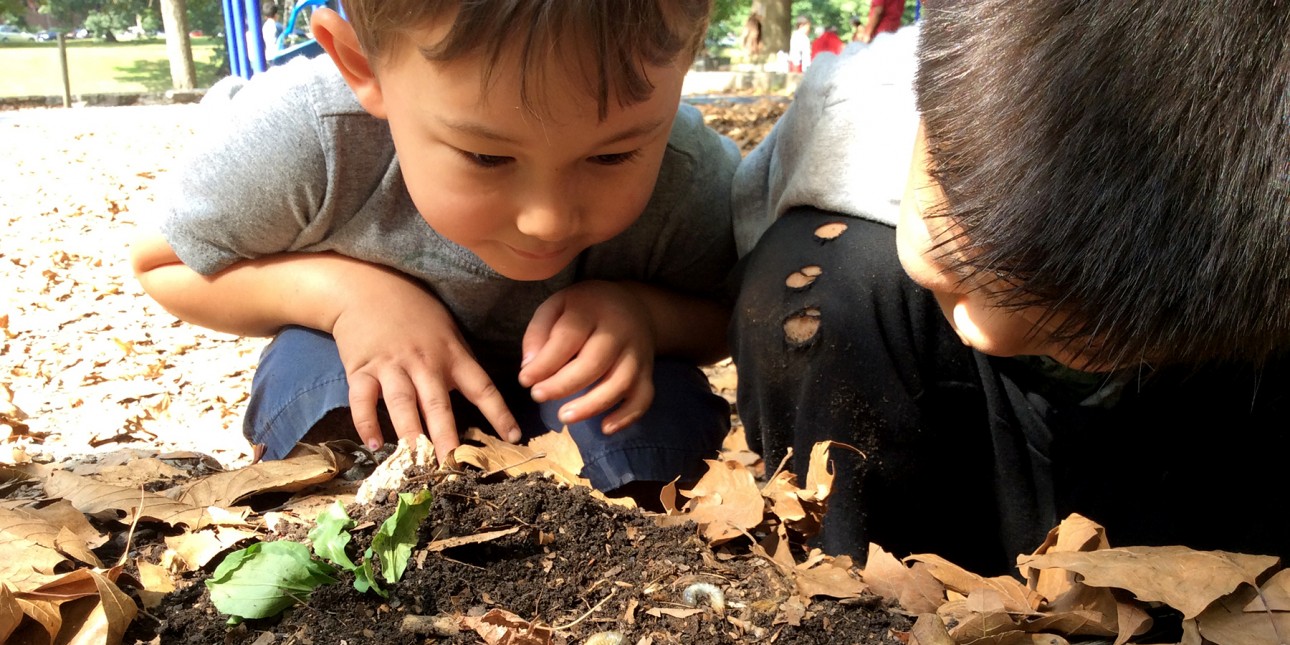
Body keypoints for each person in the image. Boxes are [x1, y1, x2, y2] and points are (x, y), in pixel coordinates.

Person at [730, 0, 1290, 575]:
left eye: (1083, 334)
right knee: (812, 279)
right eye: (958, 255)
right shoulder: (848, 112)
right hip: (955, 461)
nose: (983, 326)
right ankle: (852, 581)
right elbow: (742, 246)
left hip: (1175, 457)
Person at [131, 0, 741, 505]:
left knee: (650, 410)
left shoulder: (688, 173)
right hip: (379, 386)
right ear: (360, 65)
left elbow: (732, 314)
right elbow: (165, 262)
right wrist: (346, 298)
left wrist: (645, 316)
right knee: (317, 374)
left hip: (574, 405)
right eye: (487, 156)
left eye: (611, 156)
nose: (545, 219)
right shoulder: (308, 137)